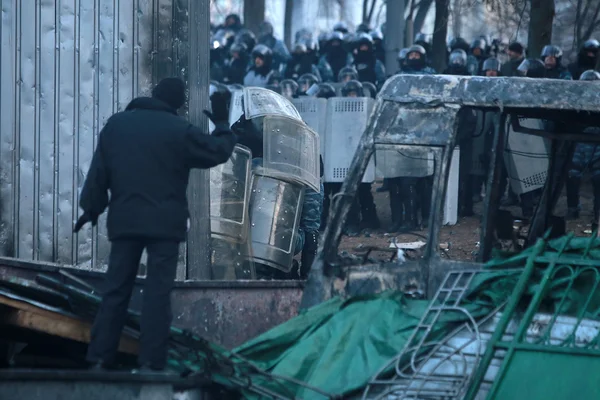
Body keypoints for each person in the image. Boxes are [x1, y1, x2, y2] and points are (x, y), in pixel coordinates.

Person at [77, 78, 237, 371]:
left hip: (125, 222)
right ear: (177, 104)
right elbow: (217, 152)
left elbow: (99, 172)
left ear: (152, 95)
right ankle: (151, 364)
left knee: (115, 290)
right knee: (157, 294)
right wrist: (223, 124)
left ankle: (99, 359)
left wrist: (91, 209)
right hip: (165, 226)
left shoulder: (117, 125)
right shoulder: (180, 131)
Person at [566, 70, 600, 223]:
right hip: (580, 142)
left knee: (598, 178)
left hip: (597, 143)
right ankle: (573, 209)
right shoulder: (575, 99)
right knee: (572, 175)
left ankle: (598, 212)